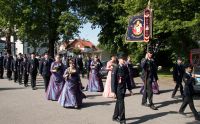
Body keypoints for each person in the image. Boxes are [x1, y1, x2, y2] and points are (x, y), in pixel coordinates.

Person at [111, 52, 133, 124]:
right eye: (122, 59)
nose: (124, 60)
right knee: (121, 103)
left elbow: (128, 79)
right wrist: (113, 91)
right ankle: (122, 119)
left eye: (125, 59)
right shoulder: (116, 68)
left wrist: (130, 89)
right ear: (119, 59)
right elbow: (113, 80)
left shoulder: (125, 67)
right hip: (118, 89)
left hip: (123, 88)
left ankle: (115, 116)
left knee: (119, 102)